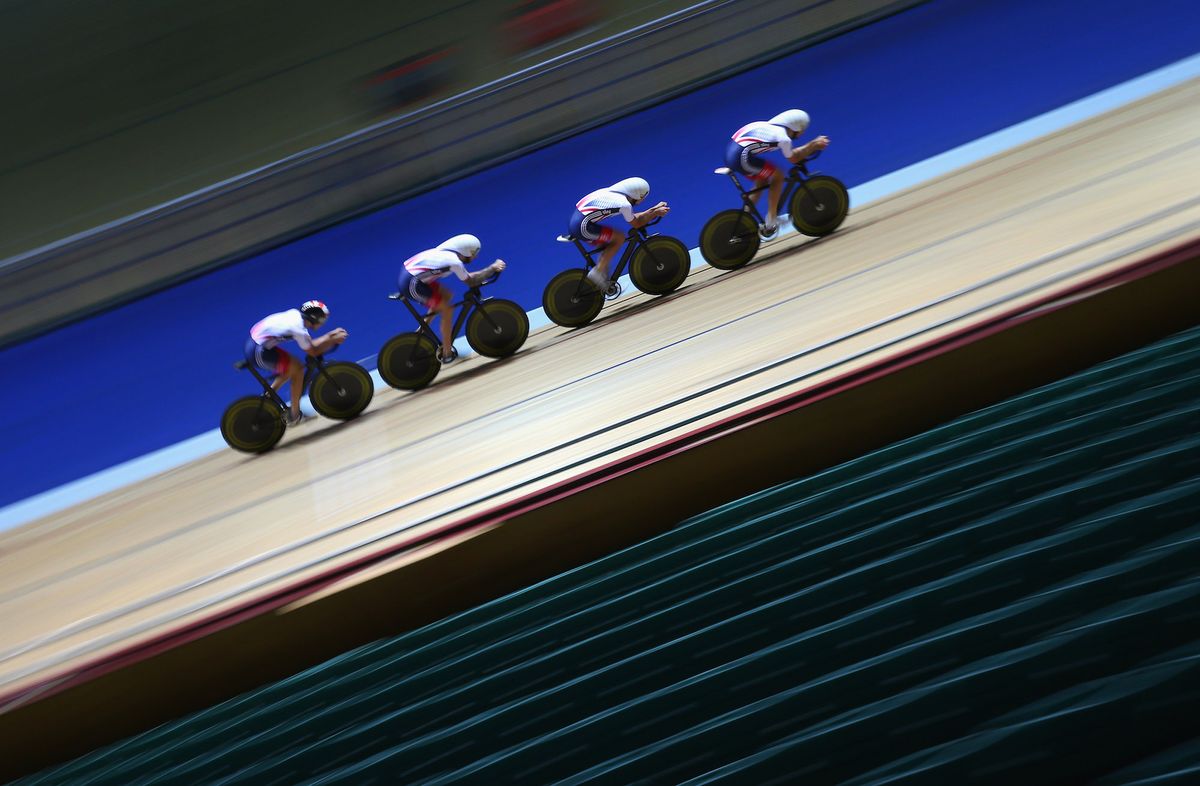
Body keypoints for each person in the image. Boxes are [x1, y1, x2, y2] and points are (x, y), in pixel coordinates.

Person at [398, 234, 506, 362]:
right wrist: (492, 268)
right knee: (447, 310)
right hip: (412, 284)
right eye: (474, 253)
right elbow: (471, 281)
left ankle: (422, 330)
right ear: (466, 252)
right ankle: (447, 353)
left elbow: (469, 277)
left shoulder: (447, 252)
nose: (475, 256)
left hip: (415, 278)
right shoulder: (454, 262)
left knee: (447, 295)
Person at [727, 109, 830, 238]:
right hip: (741, 157)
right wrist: (813, 145)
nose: (802, 134)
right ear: (796, 128)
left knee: (763, 179)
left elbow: (793, 154)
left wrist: (811, 145)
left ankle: (746, 218)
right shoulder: (783, 138)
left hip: (733, 154)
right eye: (802, 130)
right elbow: (794, 158)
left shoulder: (770, 127)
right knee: (778, 176)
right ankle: (771, 220)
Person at [245, 300, 347, 425]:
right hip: (259, 352)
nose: (322, 324)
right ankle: (294, 415)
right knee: (298, 371)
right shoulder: (298, 328)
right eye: (322, 320)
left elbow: (310, 343)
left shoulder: (297, 316)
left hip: (260, 345)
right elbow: (313, 351)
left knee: (293, 365)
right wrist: (331, 339)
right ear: (314, 318)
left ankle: (269, 396)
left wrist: (330, 336)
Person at [569, 177, 670, 290]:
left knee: (607, 247)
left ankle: (604, 280)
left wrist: (653, 210)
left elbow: (634, 217)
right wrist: (654, 213)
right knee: (619, 237)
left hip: (579, 223)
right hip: (583, 227)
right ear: (637, 195)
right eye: (643, 197)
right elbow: (636, 223)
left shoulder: (613, 193)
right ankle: (597, 273)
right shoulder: (624, 204)